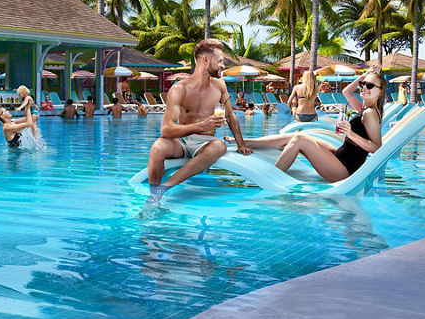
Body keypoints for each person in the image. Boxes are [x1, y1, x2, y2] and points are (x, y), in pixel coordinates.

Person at [145, 38, 250, 204]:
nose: (223, 66)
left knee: (219, 146)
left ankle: (163, 188)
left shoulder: (219, 85)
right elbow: (166, 130)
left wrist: (241, 145)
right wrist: (200, 125)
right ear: (206, 60)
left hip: (206, 143)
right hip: (182, 141)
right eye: (220, 61)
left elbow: (230, 116)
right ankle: (152, 196)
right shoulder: (179, 89)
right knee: (157, 147)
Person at [243, 70, 386, 181]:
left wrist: (351, 133)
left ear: (380, 92)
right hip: (341, 157)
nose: (364, 87)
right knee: (298, 135)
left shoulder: (370, 113)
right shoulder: (364, 108)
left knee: (299, 139)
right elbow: (346, 91)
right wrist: (366, 75)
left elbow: (377, 148)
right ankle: (247, 142)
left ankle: (271, 179)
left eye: (370, 85)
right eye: (363, 84)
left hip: (344, 169)